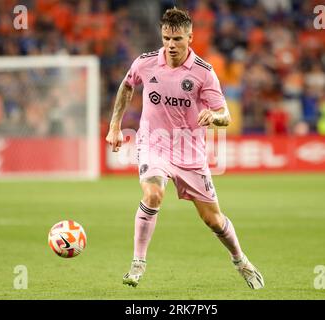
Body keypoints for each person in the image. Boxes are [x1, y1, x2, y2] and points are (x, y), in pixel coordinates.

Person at [105, 7, 264, 289]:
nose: (170, 45)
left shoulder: (204, 73)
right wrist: (115, 125)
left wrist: (214, 117)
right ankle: (138, 264)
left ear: (190, 37)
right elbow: (127, 86)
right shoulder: (146, 63)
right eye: (166, 38)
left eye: (177, 39)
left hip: (189, 152)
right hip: (154, 144)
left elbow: (224, 115)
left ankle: (241, 260)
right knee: (153, 193)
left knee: (213, 219)